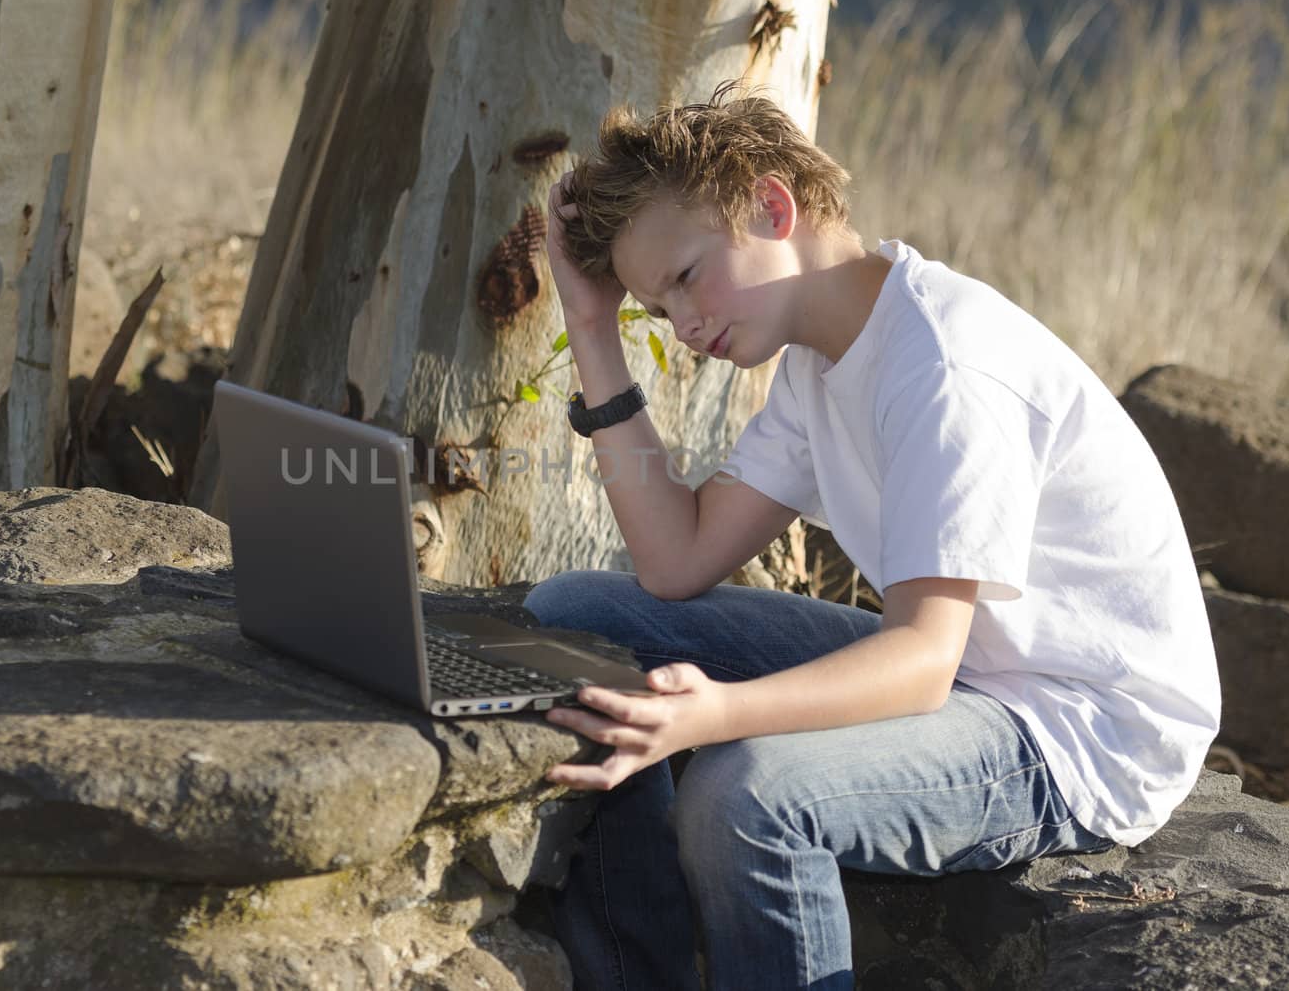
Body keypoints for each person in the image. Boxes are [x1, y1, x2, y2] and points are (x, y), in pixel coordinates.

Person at [521, 78, 1222, 990]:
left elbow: (923, 661)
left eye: (687, 278)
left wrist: (718, 714)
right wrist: (591, 326)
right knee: (572, 616)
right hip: (976, 672)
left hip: (1076, 729)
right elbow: (674, 560)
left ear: (773, 205)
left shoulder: (941, 362)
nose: (685, 326)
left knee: (744, 795)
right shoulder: (819, 360)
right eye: (660, 308)